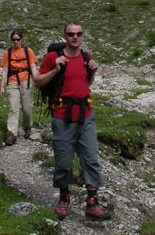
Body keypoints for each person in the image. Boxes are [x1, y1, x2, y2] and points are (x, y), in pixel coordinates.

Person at [34, 22, 111, 221]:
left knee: (91, 158)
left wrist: (92, 72)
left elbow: (86, 82)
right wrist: (55, 69)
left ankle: (92, 202)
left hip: (86, 115)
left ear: (83, 36)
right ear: (65, 36)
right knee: (63, 161)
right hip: (62, 116)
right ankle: (64, 197)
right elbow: (38, 81)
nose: (75, 37)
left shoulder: (87, 57)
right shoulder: (53, 57)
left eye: (78, 34)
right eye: (71, 34)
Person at [0, 28, 38, 146]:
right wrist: (1, 87)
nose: (16, 42)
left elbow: (33, 67)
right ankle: (11, 133)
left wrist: (37, 81)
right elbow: (5, 70)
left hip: (26, 81)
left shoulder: (28, 51)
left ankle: (27, 127)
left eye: (18, 39)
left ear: (21, 39)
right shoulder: (8, 52)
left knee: (27, 107)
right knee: (13, 107)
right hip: (12, 82)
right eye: (13, 39)